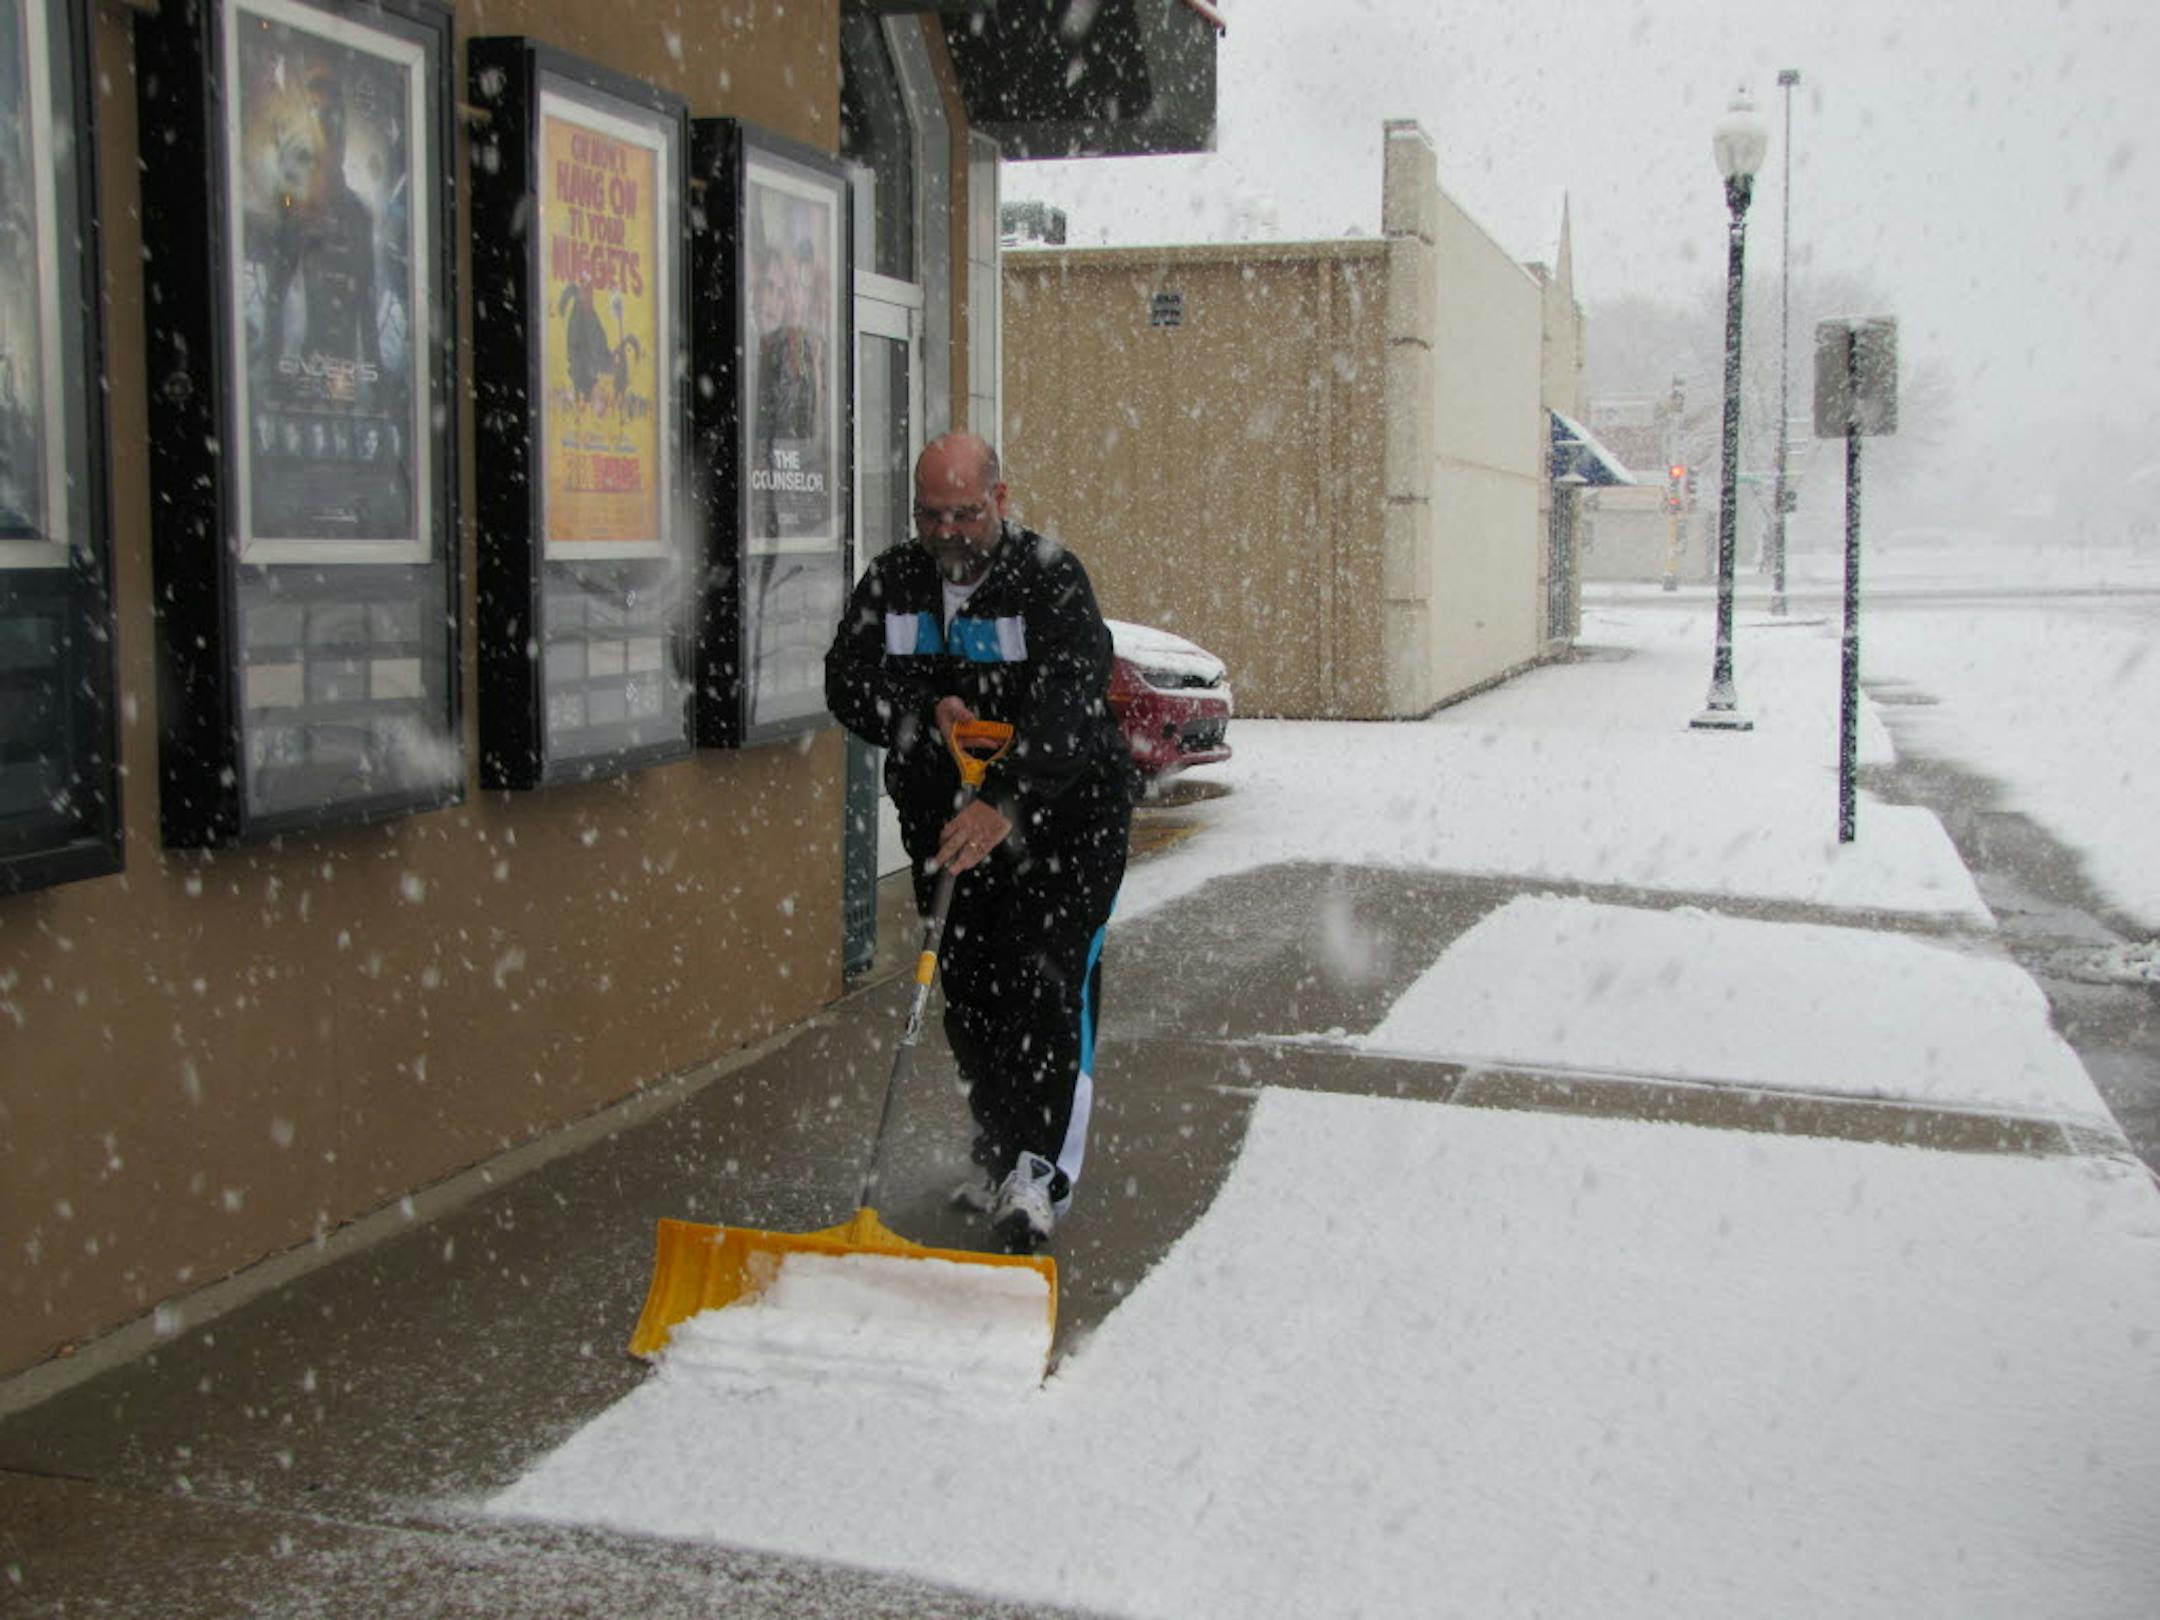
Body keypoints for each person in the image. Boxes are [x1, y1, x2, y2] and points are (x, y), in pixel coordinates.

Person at [825, 433, 1134, 1253]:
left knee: (1045, 986)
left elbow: (1072, 700)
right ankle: (998, 1151)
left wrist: (1006, 798)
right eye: (933, 514)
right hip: (946, 826)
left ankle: (1038, 1174)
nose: (950, 529)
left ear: (999, 498)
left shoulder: (1049, 579)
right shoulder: (895, 582)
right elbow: (847, 680)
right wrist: (924, 711)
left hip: (1065, 822)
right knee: (972, 992)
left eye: (966, 511)